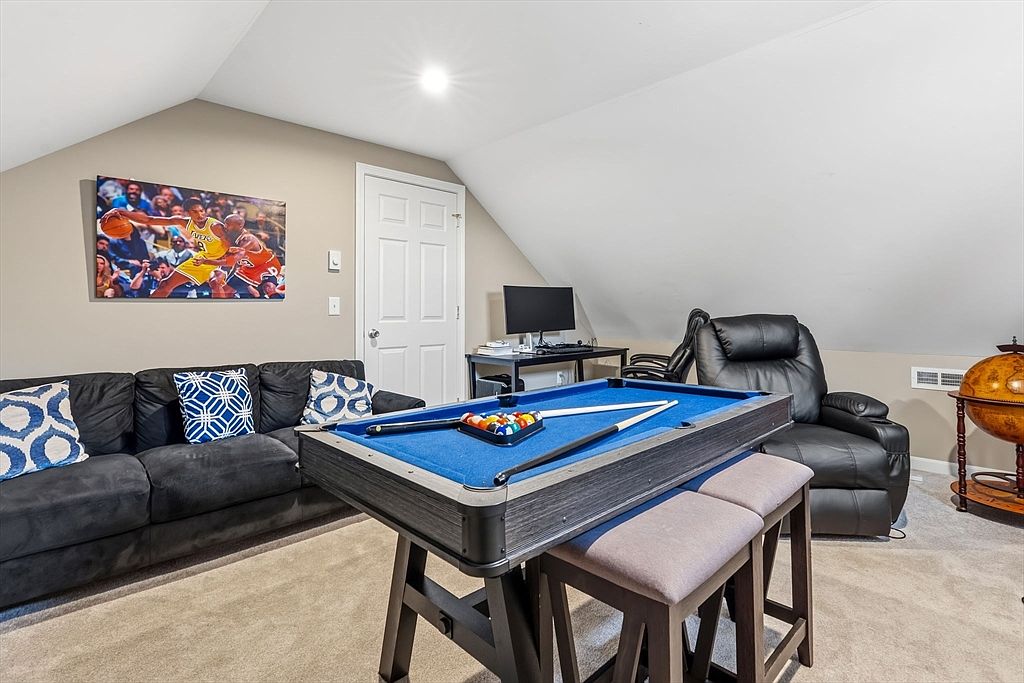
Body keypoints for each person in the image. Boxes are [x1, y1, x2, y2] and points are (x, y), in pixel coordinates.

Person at [107, 196, 232, 298]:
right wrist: (121, 212)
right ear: (187, 213)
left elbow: (233, 248)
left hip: (222, 259)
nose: (200, 214)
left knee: (215, 283)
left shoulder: (215, 226)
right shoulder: (184, 222)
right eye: (195, 211)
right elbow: (149, 220)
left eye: (202, 211)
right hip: (203, 258)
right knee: (164, 284)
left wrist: (222, 263)